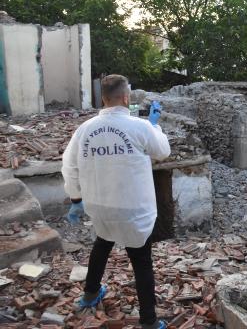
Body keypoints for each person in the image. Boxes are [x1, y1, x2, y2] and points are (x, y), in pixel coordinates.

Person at [62, 74, 171, 329]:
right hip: (132, 210)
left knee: (102, 244)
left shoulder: (85, 129)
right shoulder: (140, 127)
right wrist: (155, 125)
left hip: (99, 207)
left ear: (102, 98)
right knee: (142, 262)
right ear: (126, 97)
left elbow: (68, 165)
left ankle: (89, 294)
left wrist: (76, 197)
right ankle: (149, 322)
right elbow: (162, 152)